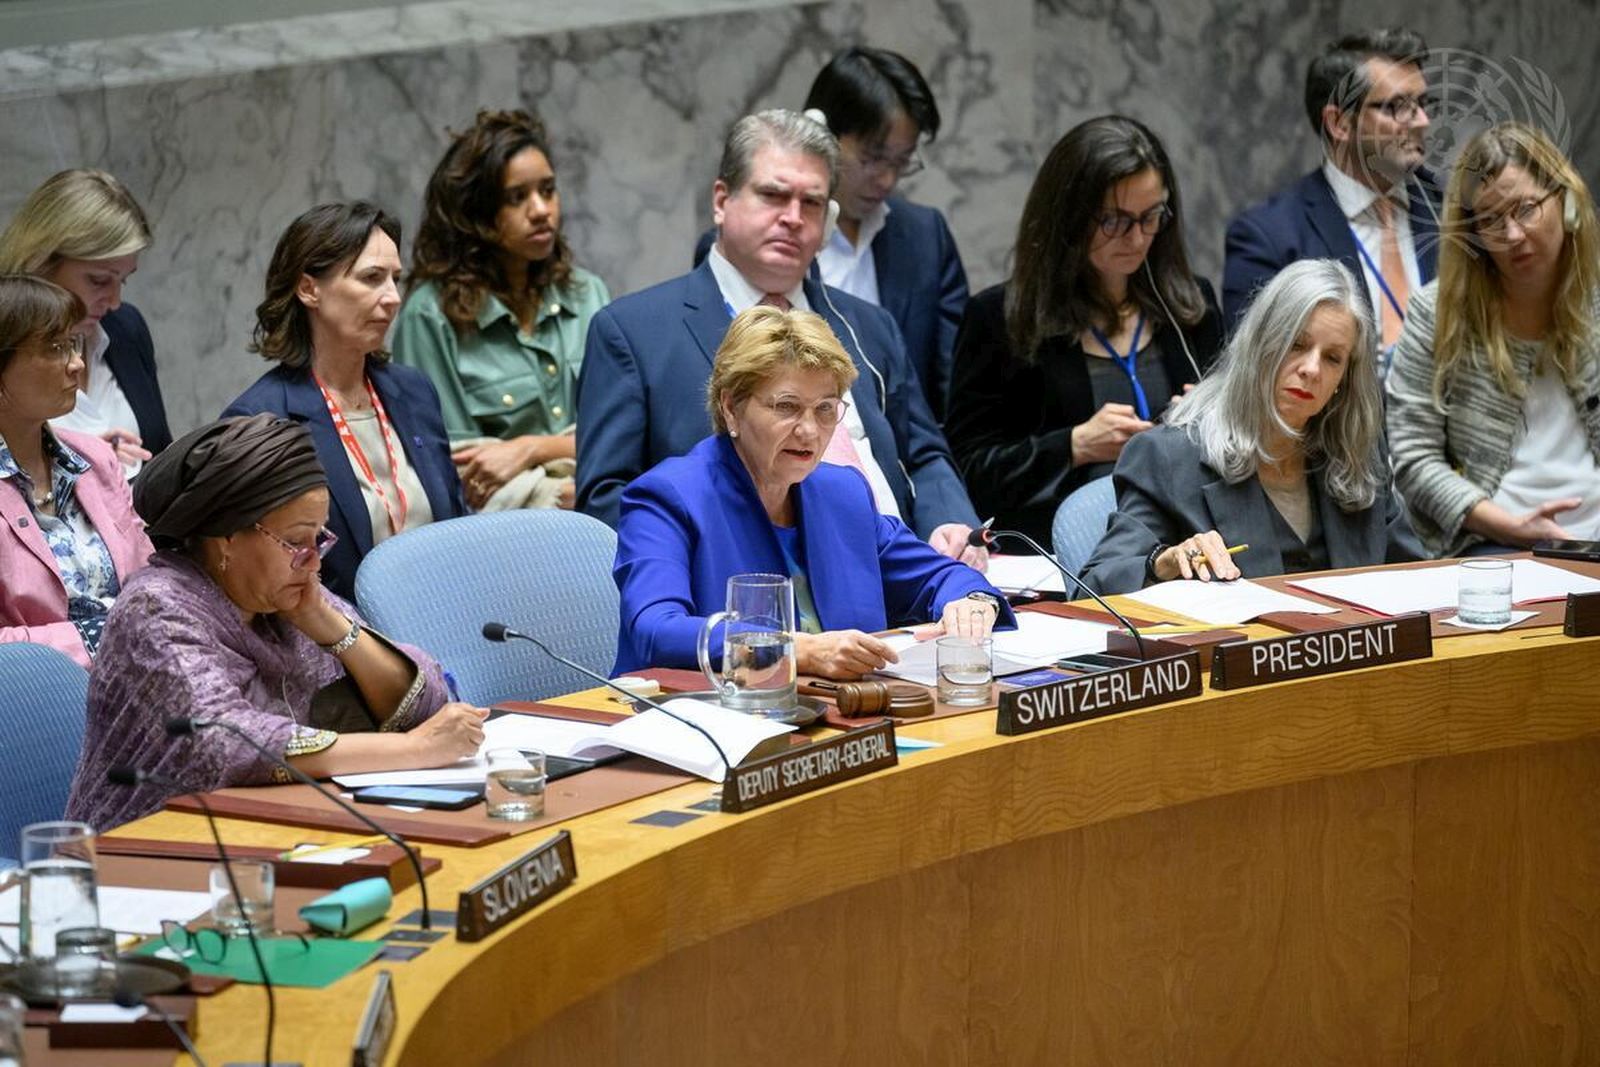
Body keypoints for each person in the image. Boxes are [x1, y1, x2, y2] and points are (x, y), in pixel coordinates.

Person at [579, 108, 984, 568]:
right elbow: (606, 503)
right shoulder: (634, 333)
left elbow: (925, 455)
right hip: (744, 595)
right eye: (773, 195)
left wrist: (950, 525)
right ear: (721, 200)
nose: (793, 218)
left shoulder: (867, 325)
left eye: (811, 203)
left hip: (904, 581)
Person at [65, 414, 488, 831]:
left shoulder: (291, 595)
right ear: (226, 538)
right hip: (145, 854)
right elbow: (225, 742)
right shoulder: (156, 608)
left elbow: (431, 706)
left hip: (279, 828)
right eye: (296, 540)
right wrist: (411, 750)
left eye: (319, 538)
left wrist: (328, 625)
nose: (313, 559)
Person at [613, 306, 1010, 677]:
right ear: (731, 408)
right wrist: (794, 651)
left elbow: (940, 577)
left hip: (840, 718)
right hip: (701, 727)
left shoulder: (842, 492)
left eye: (825, 409)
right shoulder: (668, 497)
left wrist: (972, 604)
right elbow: (656, 631)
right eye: (787, 407)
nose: (809, 430)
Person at [945, 116, 1224, 548]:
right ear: (1069, 217)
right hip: (1057, 556)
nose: (1136, 238)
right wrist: (1074, 446)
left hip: (1189, 545)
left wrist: (1208, 423)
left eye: (1151, 216)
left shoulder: (1190, 307)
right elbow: (969, 471)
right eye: (1115, 220)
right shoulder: (999, 318)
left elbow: (1245, 443)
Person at [1079, 259, 1422, 594]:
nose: (1311, 369)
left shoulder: (1357, 452)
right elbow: (1095, 585)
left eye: (1332, 358)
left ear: (1342, 380)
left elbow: (1416, 581)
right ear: (1261, 343)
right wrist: (1161, 562)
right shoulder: (1168, 456)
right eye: (1296, 345)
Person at [693, 48, 968, 418]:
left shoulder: (924, 235)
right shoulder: (756, 245)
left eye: (901, 162)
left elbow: (954, 383)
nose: (887, 179)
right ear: (822, 133)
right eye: (872, 158)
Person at [223, 202, 468, 602]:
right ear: (308, 289)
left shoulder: (414, 391)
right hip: (340, 649)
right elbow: (266, 585)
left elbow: (456, 524)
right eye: (371, 278)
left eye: (395, 279)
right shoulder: (262, 420)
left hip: (445, 620)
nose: (392, 298)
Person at [1387, 122, 1600, 555]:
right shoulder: (1438, 313)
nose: (1513, 234)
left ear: (1566, 203)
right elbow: (1412, 458)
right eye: (1490, 220)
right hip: (1492, 544)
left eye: (1525, 209)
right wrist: (1510, 527)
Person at [393, 109, 610, 511]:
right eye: (517, 197)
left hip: (600, 520)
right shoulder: (431, 315)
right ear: (477, 213)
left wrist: (531, 449)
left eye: (548, 190)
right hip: (500, 542)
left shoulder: (587, 294)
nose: (541, 209)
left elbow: (620, 434)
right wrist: (557, 485)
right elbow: (455, 466)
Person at [1223, 27, 1443, 357]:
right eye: (1398, 106)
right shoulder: (1269, 238)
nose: (1422, 121)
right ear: (1339, 123)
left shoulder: (1456, 209)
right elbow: (1257, 373)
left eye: (1422, 103)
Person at [0, 274, 153, 667]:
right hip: (35, 711)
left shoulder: (96, 458)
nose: (77, 364)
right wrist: (97, 635)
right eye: (55, 348)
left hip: (140, 687)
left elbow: (150, 581)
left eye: (74, 345)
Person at [0, 168, 172, 469]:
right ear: (40, 261)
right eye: (98, 280)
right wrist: (80, 464)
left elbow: (161, 456)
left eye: (124, 280)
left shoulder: (125, 328)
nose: (115, 300)